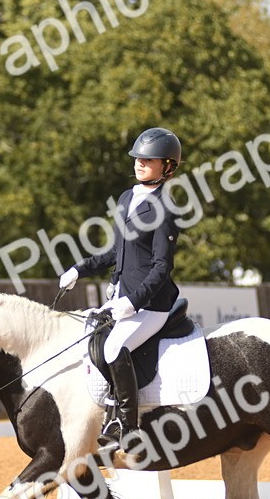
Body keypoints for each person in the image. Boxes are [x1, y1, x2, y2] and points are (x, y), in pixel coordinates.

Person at [58, 127, 183, 455]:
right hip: (124, 299)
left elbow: (161, 267)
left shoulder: (165, 209)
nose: (140, 163)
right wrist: (80, 269)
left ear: (167, 166)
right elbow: (118, 253)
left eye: (148, 159)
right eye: (138, 158)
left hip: (152, 305)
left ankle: (128, 429)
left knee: (114, 348)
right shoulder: (128, 198)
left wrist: (133, 303)